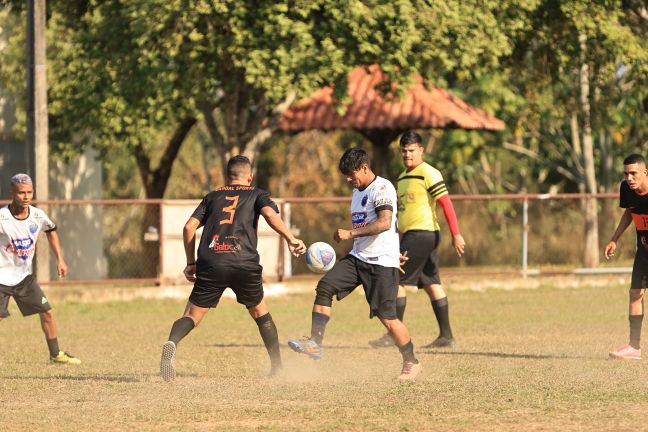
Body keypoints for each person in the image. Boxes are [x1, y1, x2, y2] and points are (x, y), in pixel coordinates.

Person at [160, 155, 306, 381]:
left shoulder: (212, 196)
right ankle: (277, 367)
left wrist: (191, 263)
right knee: (260, 312)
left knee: (192, 315)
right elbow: (269, 214)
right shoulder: (257, 193)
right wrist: (290, 237)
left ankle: (172, 342)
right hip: (243, 262)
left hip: (212, 261)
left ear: (227, 177)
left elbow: (189, 227)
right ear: (250, 176)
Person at [287, 148, 422, 380]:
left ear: (364, 168)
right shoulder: (357, 192)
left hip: (381, 264)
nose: (349, 179)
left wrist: (350, 234)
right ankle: (315, 343)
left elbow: (385, 223)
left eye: (351, 174)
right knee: (325, 286)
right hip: (358, 258)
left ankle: (411, 361)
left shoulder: (382, 188)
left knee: (387, 318)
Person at [369, 131, 465, 349]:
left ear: (421, 150)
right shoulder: (403, 177)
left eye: (411, 150)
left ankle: (394, 334)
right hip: (417, 235)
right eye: (403, 151)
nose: (407, 154)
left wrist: (456, 233)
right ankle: (447, 336)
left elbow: (446, 204)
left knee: (395, 276)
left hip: (421, 233)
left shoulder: (428, 173)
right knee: (431, 283)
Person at [0, 174, 81, 364]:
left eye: (29, 192)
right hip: (1, 278)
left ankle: (56, 354)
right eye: (21, 193)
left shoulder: (37, 215)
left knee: (47, 312)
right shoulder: (2, 217)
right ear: (12, 193)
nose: (26, 197)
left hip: (23, 278)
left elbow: (51, 231)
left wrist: (60, 259)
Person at [605, 153, 648, 360]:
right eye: (626, 173)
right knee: (635, 293)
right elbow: (629, 213)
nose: (629, 178)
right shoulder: (626, 190)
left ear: (644, 172)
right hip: (644, 251)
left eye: (634, 173)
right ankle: (634, 347)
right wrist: (615, 239)